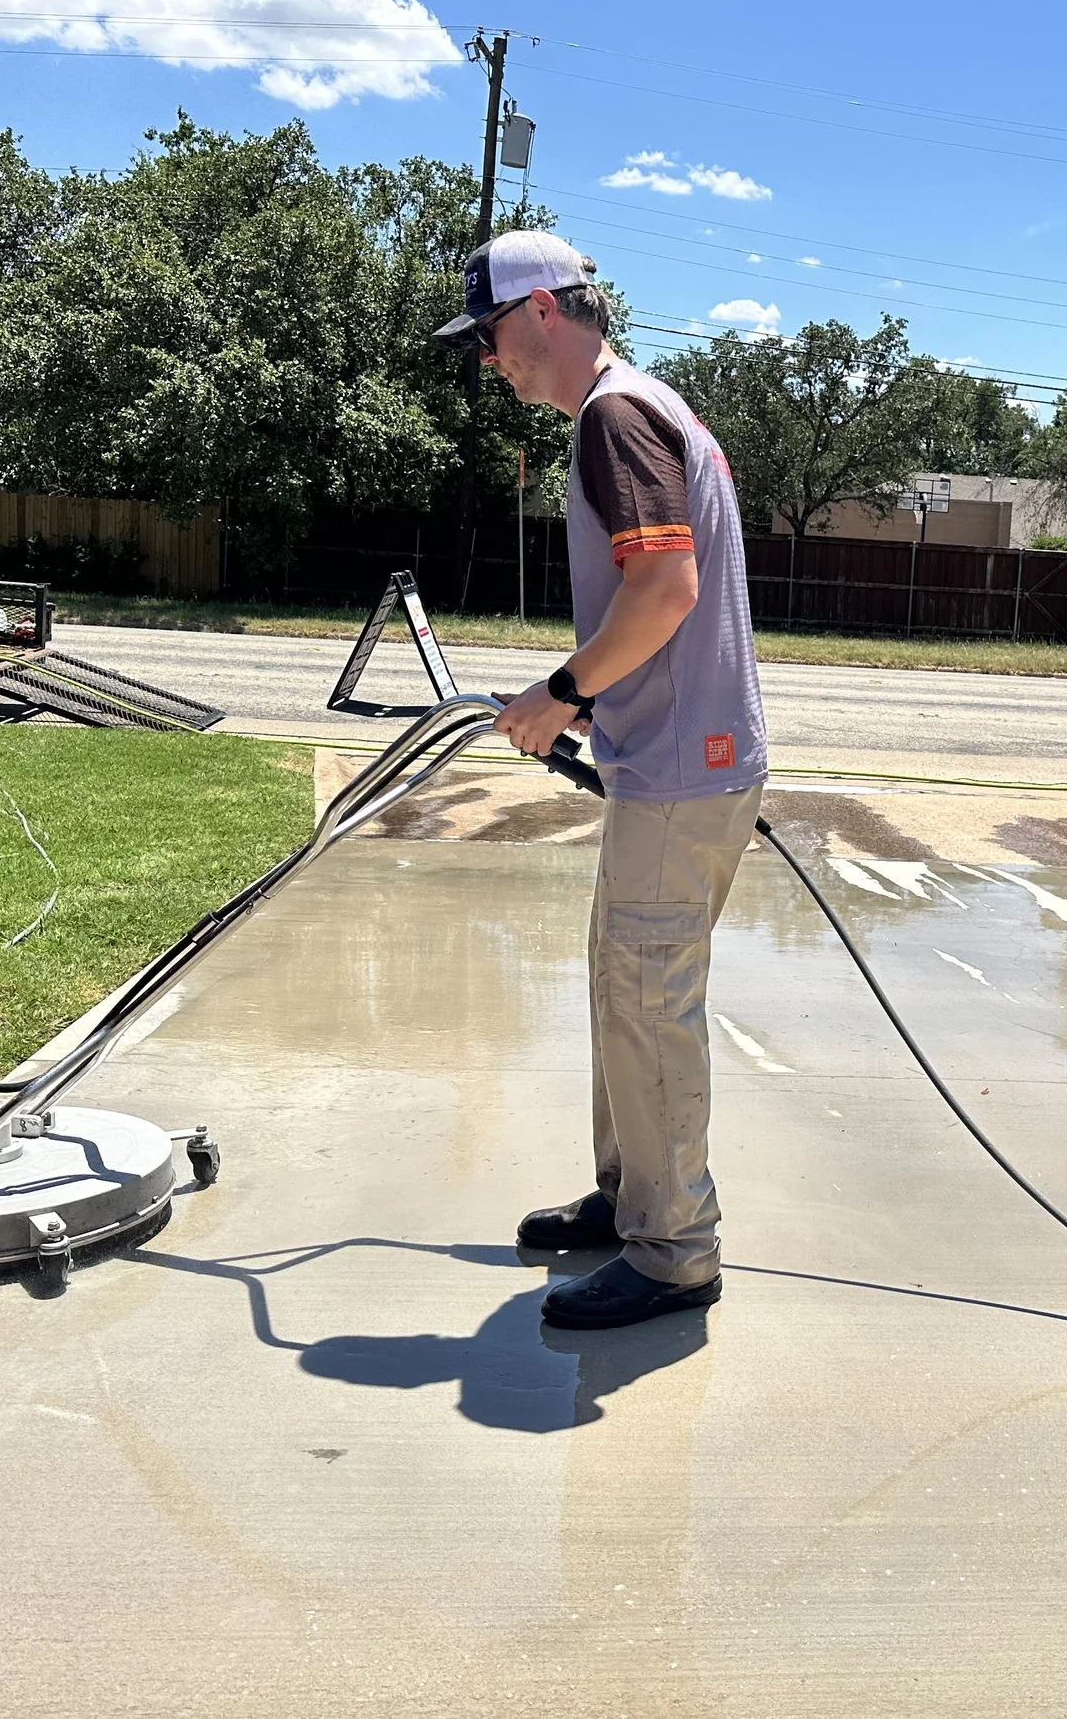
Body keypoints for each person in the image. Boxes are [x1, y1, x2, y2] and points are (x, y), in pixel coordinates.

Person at [438, 230, 768, 1331]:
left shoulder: (612, 417)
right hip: (679, 766)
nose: (489, 362)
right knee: (622, 990)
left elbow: (664, 588)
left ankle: (675, 1252)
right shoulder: (643, 405)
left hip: (682, 769)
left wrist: (561, 695)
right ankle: (632, 1200)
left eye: (487, 336)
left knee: (649, 1002)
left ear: (540, 310)